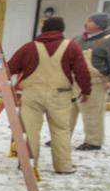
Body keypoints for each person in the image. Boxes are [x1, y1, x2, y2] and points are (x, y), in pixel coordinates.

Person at [5, 16, 91, 176]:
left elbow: (9, 68)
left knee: (31, 130)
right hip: (60, 95)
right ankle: (63, 166)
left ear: (43, 30)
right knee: (60, 130)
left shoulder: (29, 47)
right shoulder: (71, 47)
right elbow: (82, 72)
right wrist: (86, 91)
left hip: (32, 94)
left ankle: (27, 164)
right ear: (61, 30)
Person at [73, 13, 110, 151]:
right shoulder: (78, 39)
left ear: (100, 25)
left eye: (90, 21)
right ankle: (61, 137)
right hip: (74, 81)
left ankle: (93, 141)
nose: (86, 23)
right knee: (66, 111)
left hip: (96, 83)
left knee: (92, 113)